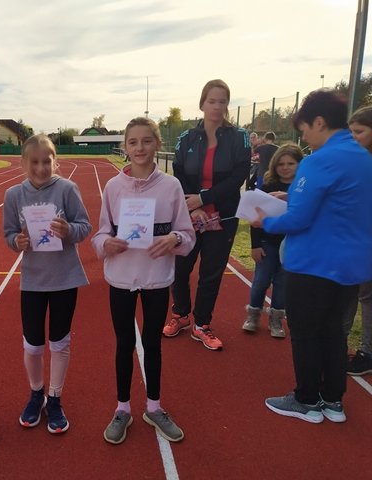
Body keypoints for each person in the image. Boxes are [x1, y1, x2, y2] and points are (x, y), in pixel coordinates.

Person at [252, 90, 372, 423]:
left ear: (319, 122)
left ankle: (306, 399)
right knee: (334, 332)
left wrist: (265, 221)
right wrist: (291, 195)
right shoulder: (363, 157)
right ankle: (333, 400)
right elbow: (337, 201)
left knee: (305, 332)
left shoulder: (319, 160)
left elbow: (298, 220)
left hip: (313, 264)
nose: (303, 137)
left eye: (304, 129)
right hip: (350, 265)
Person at [92, 117, 195, 445]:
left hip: (156, 279)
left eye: (146, 141)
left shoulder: (171, 186)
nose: (139, 148)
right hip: (121, 278)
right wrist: (105, 244)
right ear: (125, 146)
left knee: (152, 343)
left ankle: (154, 407)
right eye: (133, 142)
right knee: (124, 344)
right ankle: (122, 409)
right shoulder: (113, 188)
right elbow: (100, 233)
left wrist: (175, 238)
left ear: (157, 144)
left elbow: (187, 234)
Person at [3, 133, 91, 434]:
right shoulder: (14, 195)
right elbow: (9, 234)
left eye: (46, 161)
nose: (41, 168)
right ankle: (36, 393)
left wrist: (68, 230)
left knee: (60, 341)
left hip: (65, 278)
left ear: (55, 161)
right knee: (32, 343)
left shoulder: (67, 189)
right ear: (23, 163)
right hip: (33, 281)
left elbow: (84, 227)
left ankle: (54, 398)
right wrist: (17, 241)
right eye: (35, 162)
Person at [163, 79, 251, 350]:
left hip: (223, 217)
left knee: (211, 274)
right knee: (180, 268)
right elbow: (178, 173)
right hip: (189, 215)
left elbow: (238, 176)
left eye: (222, 101)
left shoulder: (239, 137)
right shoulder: (186, 138)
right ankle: (181, 314)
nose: (217, 106)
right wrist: (195, 205)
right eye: (212, 101)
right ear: (202, 103)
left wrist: (205, 198)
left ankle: (202, 324)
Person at [243, 144, 303, 337]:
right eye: (281, 164)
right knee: (261, 281)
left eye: (291, 163)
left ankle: (276, 319)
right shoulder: (268, 186)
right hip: (267, 243)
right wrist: (255, 245)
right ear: (274, 165)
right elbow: (255, 217)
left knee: (282, 283)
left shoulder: (303, 189)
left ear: (300, 164)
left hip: (291, 244)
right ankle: (253, 315)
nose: (285, 167)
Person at [342, 105, 372, 376]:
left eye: (359, 132)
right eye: (350, 132)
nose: (353, 137)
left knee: (366, 295)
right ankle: (340, 345)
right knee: (353, 292)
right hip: (354, 239)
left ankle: (367, 352)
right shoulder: (355, 161)